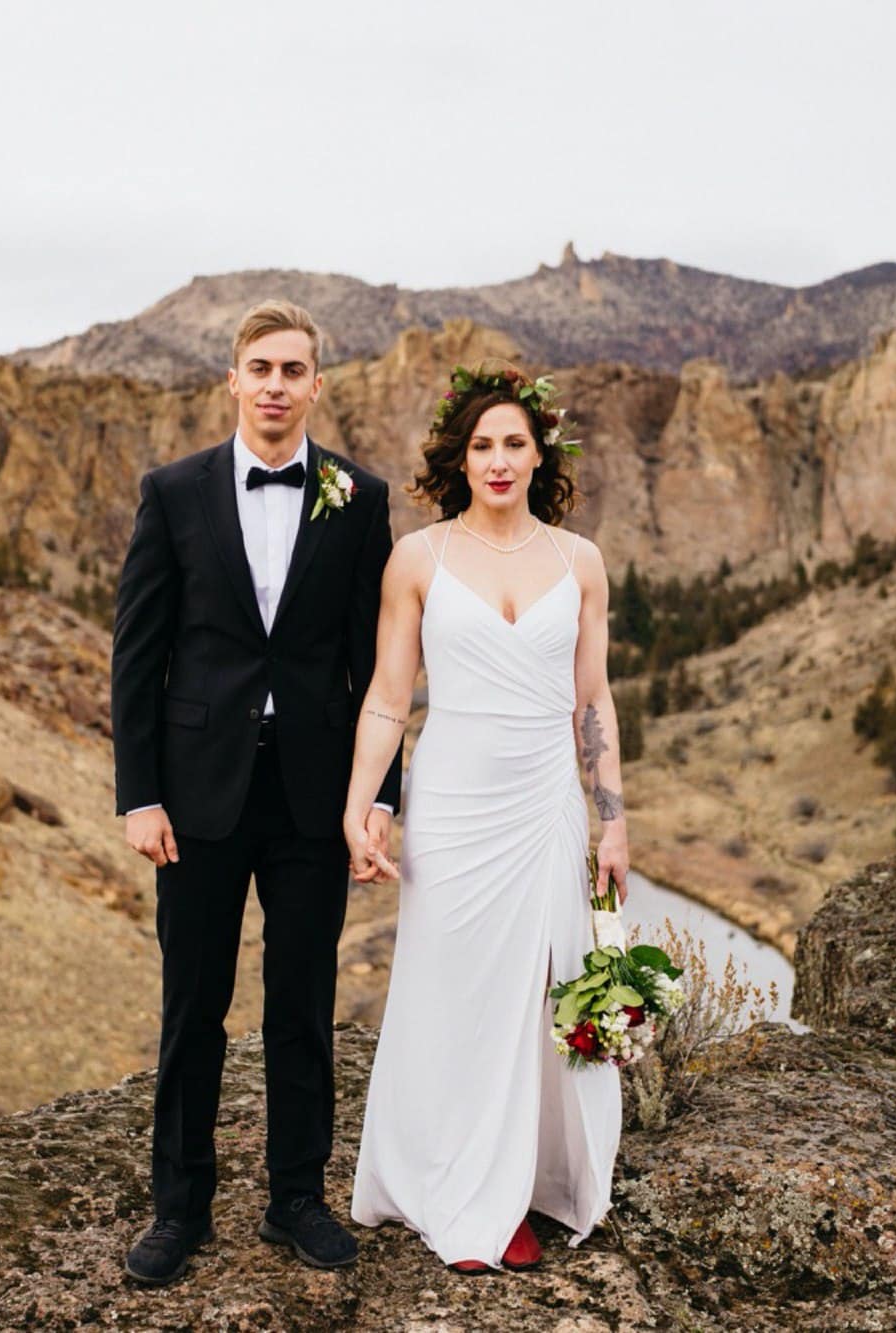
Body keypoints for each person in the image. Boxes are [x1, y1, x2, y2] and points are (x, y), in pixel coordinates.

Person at [111, 300, 401, 1286]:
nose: (275, 384)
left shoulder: (359, 499)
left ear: (317, 385)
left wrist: (376, 799)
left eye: (293, 369)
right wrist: (137, 793)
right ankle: (178, 1209)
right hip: (195, 795)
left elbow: (379, 671)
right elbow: (137, 655)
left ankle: (295, 1199)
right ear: (231, 381)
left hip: (315, 794)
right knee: (191, 1004)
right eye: (258, 368)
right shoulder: (174, 491)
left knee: (302, 1004)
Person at [342, 365, 629, 1272]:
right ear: (458, 460)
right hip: (455, 801)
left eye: (514, 443)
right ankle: (452, 1185)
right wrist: (363, 804)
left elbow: (593, 701)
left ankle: (519, 1185)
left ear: (540, 453)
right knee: (455, 989)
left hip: (543, 801)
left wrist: (611, 819)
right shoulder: (418, 559)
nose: (498, 460)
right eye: (481, 445)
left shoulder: (578, 561)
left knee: (533, 994)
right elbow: (390, 694)